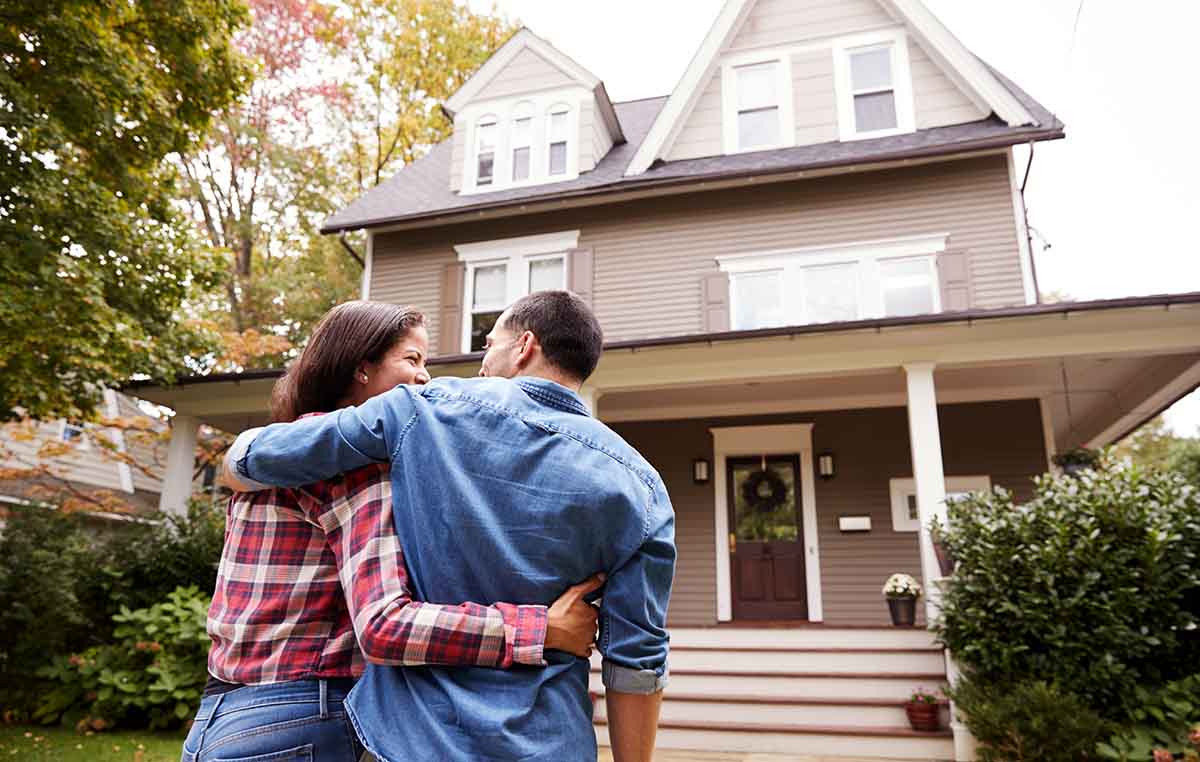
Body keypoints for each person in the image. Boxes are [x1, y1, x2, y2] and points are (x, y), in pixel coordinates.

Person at [223, 290, 674, 762]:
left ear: (524, 347)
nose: (481, 362)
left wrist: (235, 463)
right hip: (551, 742)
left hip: (417, 740)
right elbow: (636, 661)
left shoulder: (420, 409)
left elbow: (260, 456)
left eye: (488, 345)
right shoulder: (642, 485)